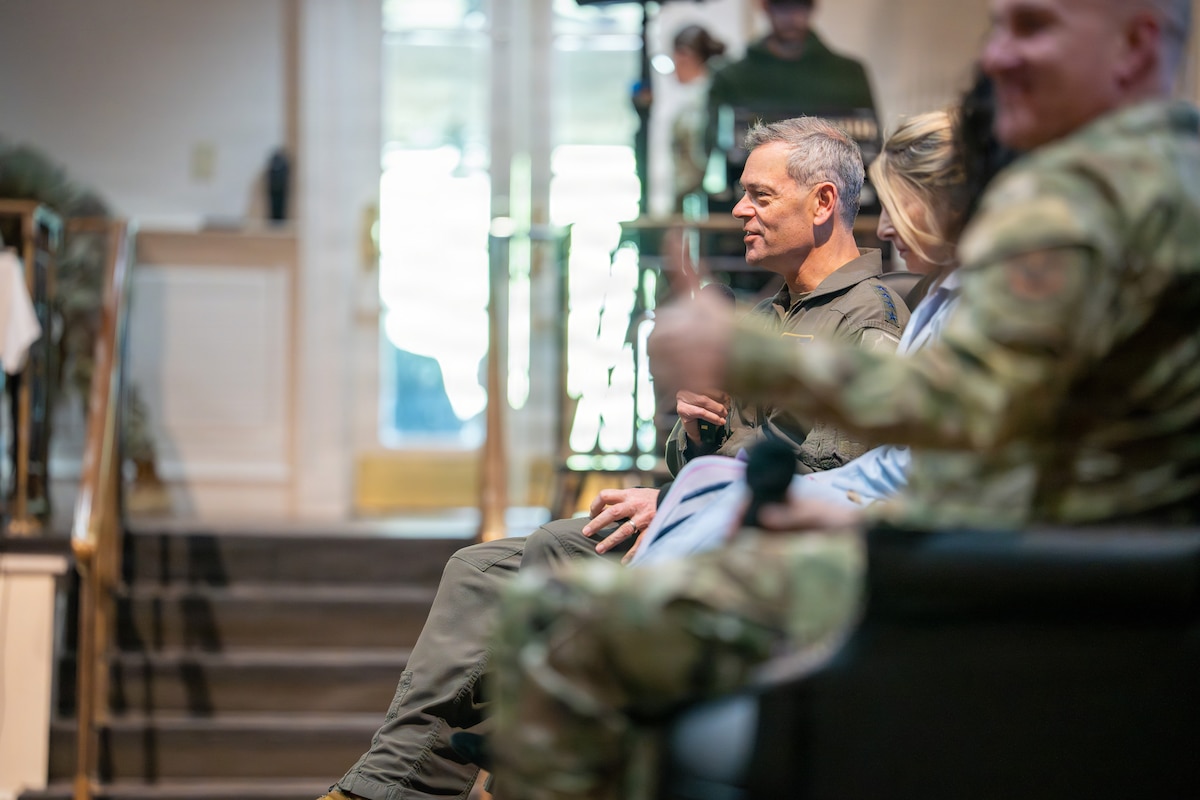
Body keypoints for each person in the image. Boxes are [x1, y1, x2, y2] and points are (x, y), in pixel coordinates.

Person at [486, 1, 1200, 798]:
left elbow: (956, 408)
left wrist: (741, 353)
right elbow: (1031, 445)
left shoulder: (1078, 201)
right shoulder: (1165, 173)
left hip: (1002, 585)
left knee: (560, 626)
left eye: (1031, 28)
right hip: (1055, 569)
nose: (996, 56)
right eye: (998, 26)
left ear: (1136, 42)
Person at [314, 117, 908, 800]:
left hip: (758, 548)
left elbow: (847, 475)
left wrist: (681, 503)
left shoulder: (869, 317)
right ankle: (396, 785)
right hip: (705, 521)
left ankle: (499, 774)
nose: (739, 210)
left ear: (825, 202)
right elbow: (712, 457)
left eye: (760, 196)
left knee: (551, 553)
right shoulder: (774, 312)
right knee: (479, 568)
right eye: (743, 194)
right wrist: (694, 427)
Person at [633, 101, 1015, 567]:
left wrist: (703, 500)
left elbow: (866, 451)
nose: (888, 228)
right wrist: (697, 445)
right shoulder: (939, 303)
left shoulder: (896, 314)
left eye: (900, 207)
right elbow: (885, 467)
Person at [667, 25, 727, 213]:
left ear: (685, 55)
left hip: (696, 200)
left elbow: (699, 156)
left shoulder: (702, 100)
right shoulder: (698, 97)